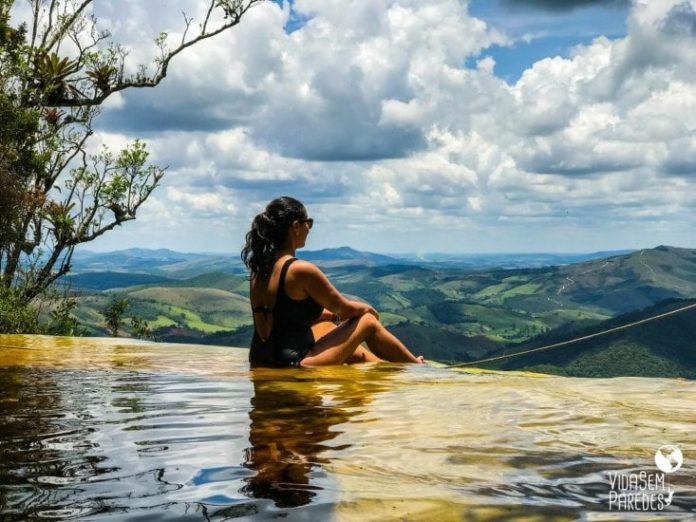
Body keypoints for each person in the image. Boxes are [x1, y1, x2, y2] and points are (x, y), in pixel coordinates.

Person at [241, 196, 426, 368]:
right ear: (296, 226)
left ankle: (381, 366)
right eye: (308, 223)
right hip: (295, 363)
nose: (309, 229)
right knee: (367, 321)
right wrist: (368, 310)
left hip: (261, 358)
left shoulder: (259, 270)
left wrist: (333, 317)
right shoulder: (300, 269)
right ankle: (416, 367)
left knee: (326, 327)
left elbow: (286, 317)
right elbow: (344, 308)